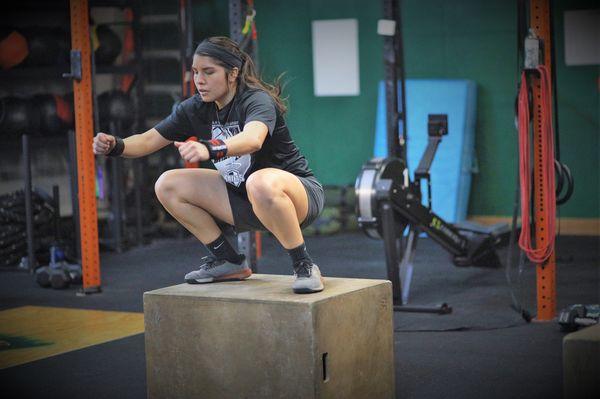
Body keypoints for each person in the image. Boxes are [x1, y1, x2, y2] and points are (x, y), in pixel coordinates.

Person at [92, 36, 325, 294]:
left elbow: (253, 139)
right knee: (167, 184)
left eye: (209, 72)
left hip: (296, 197)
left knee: (260, 182)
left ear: (233, 73)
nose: (199, 80)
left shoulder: (256, 101)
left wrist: (210, 148)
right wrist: (116, 145)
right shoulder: (194, 109)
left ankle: (304, 265)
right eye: (195, 72)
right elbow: (147, 141)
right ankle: (228, 260)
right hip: (244, 198)